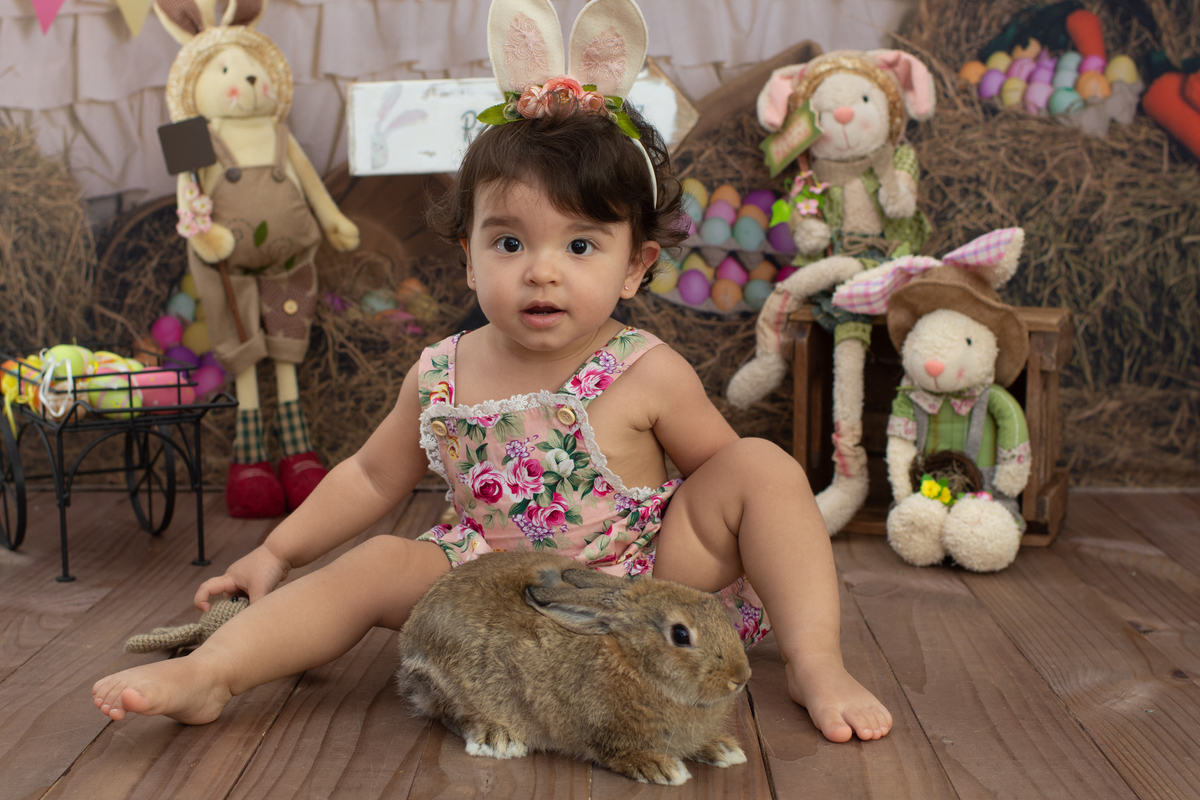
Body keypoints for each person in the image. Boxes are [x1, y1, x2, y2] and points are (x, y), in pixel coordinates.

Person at [92, 92, 892, 744]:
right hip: (492, 595)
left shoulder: (647, 369)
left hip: (642, 589)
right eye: (509, 242)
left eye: (581, 247)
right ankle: (214, 674)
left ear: (636, 267)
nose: (541, 269)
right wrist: (274, 551)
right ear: (468, 256)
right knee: (374, 564)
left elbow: (721, 488)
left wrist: (728, 564)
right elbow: (371, 475)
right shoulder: (442, 373)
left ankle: (818, 663)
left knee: (759, 467)